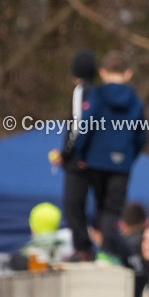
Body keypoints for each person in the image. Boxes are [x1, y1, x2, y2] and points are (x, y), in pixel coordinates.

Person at [74, 50, 147, 260]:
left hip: (96, 162)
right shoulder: (135, 101)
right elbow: (141, 136)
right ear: (128, 74)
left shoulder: (96, 95)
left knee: (100, 207)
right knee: (113, 210)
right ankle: (109, 252)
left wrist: (81, 154)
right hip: (121, 164)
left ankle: (105, 252)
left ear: (103, 73)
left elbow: (85, 125)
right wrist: (128, 158)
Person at [50, 49, 97, 260]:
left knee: (73, 203)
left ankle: (83, 249)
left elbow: (78, 125)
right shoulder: (97, 91)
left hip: (79, 158)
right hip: (95, 157)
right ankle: (90, 247)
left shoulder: (81, 90)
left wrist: (66, 153)